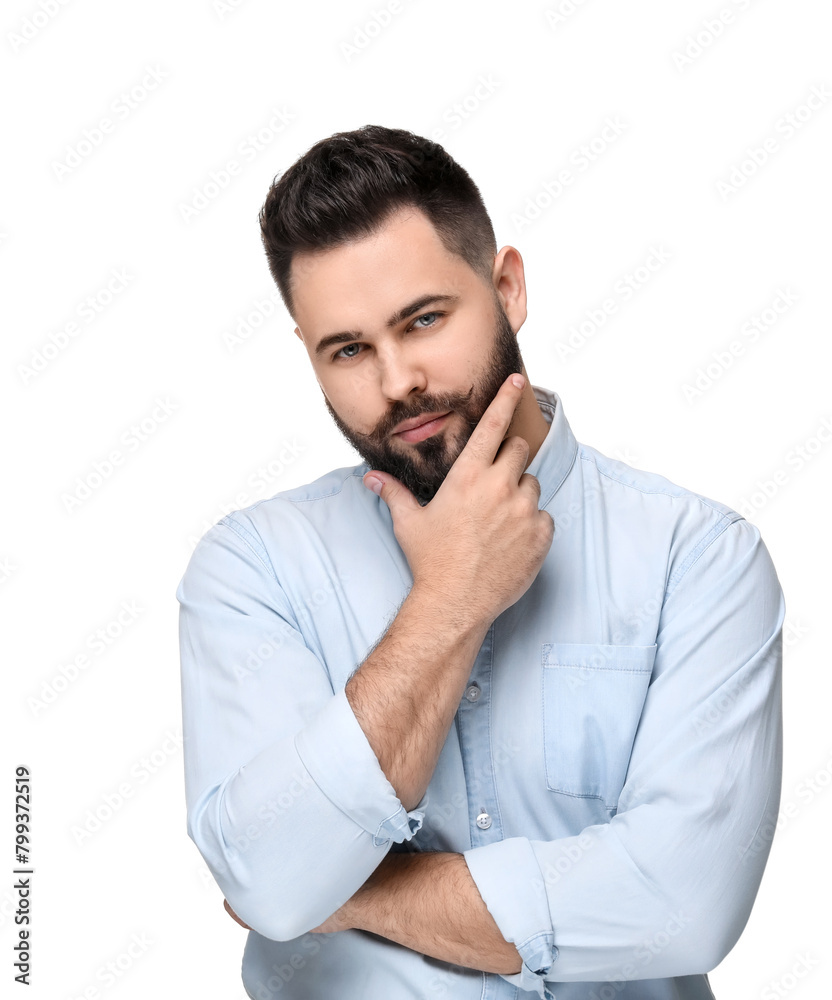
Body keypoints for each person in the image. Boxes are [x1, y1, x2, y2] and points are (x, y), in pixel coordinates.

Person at [177, 125, 784, 1000]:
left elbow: (681, 904)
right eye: (347, 350)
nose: (396, 382)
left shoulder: (698, 558)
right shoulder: (254, 569)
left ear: (507, 287)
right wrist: (452, 598)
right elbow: (268, 879)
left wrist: (344, 892)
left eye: (423, 321)